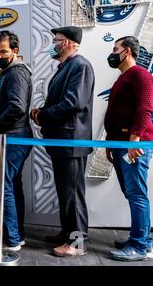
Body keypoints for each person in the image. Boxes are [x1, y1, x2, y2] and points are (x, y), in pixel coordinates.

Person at [31, 26, 94, 257]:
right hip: (62, 142)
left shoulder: (80, 65)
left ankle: (77, 242)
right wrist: (43, 112)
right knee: (65, 192)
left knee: (73, 194)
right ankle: (68, 231)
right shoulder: (67, 66)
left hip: (71, 143)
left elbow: (72, 103)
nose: (52, 44)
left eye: (56, 40)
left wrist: (43, 115)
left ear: (67, 43)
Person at [104, 36, 153, 261]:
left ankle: (139, 246)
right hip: (120, 145)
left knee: (136, 194)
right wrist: (110, 143)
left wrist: (133, 142)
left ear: (128, 52)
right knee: (131, 193)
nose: (113, 53)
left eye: (116, 49)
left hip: (134, 146)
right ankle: (142, 238)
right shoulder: (123, 78)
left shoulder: (140, 75)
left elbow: (145, 109)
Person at [0, 31, 33, 251]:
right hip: (10, 137)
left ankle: (12, 239)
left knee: (3, 187)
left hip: (13, 137)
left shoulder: (17, 73)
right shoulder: (7, 71)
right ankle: (14, 234)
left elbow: (17, 106)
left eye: (3, 51)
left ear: (15, 51)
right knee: (11, 186)